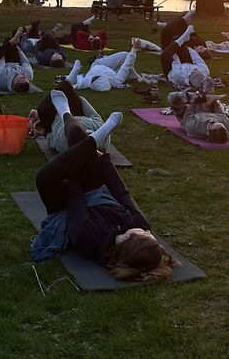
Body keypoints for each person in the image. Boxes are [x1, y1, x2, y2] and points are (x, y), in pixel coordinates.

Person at [28, 104, 176, 282]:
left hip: (66, 204)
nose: (148, 232)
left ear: (127, 237)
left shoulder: (90, 237)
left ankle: (79, 126)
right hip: (96, 194)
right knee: (76, 135)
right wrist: (104, 159)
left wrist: (77, 166)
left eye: (146, 235)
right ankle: (66, 113)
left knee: (44, 177)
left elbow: (74, 199)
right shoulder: (139, 226)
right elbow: (122, 194)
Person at [29, 77, 109, 151]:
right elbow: (90, 111)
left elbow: (49, 135)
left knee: (42, 109)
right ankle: (68, 83)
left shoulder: (62, 144)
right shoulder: (101, 129)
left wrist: (42, 124)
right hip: (73, 111)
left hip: (53, 119)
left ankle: (69, 83)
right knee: (64, 87)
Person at [67, 42, 139, 91]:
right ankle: (136, 77)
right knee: (126, 57)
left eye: (95, 78)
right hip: (112, 72)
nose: (97, 76)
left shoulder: (85, 81)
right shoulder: (115, 82)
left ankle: (135, 76)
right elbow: (126, 66)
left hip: (99, 64)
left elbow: (74, 84)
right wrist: (134, 50)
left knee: (125, 55)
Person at [0, 29, 34, 93]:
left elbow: (0, 60)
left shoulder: (1, 77)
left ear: (15, 81)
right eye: (26, 78)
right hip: (13, 63)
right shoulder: (28, 74)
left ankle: (11, 41)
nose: (24, 75)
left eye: (22, 77)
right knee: (11, 44)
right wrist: (17, 47)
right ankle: (13, 42)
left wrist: (3, 47)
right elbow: (24, 60)